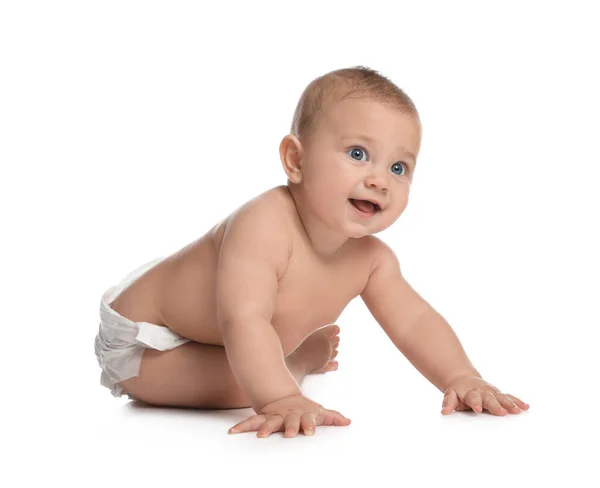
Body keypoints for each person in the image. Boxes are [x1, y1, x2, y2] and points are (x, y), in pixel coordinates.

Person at [95, 66, 529, 438]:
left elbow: (415, 321)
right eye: (358, 154)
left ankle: (286, 361)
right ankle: (295, 362)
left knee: (252, 361)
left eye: (399, 168)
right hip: (146, 339)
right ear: (295, 161)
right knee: (241, 384)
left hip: (227, 337)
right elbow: (241, 319)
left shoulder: (372, 260)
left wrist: (461, 375)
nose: (381, 180)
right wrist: (281, 396)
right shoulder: (264, 224)